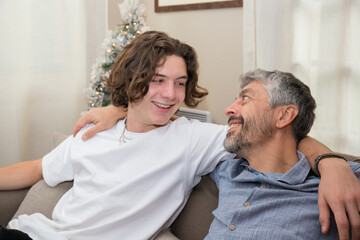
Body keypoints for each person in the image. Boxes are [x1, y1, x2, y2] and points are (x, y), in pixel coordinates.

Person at [0, 31, 358, 239]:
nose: (171, 95)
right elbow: (36, 169)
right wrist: (118, 110)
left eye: (180, 83)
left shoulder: (193, 140)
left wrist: (332, 163)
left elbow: (279, 135)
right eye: (157, 81)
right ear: (133, 80)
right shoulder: (94, 133)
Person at [203, 69, 360, 239]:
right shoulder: (226, 169)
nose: (228, 109)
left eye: (245, 98)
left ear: (284, 116)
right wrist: (329, 161)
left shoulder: (342, 181)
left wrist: (334, 165)